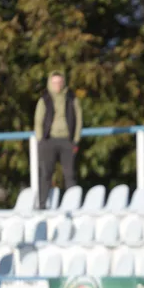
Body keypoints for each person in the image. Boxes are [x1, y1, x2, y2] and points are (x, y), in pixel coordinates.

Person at [34, 71, 82, 208]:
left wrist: (75, 140)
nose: (57, 85)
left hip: (67, 141)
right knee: (46, 174)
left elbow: (78, 120)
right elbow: (38, 120)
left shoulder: (72, 98)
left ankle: (73, 205)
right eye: (54, 82)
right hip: (48, 141)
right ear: (50, 83)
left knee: (70, 174)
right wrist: (40, 140)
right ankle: (42, 205)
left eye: (60, 82)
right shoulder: (44, 99)